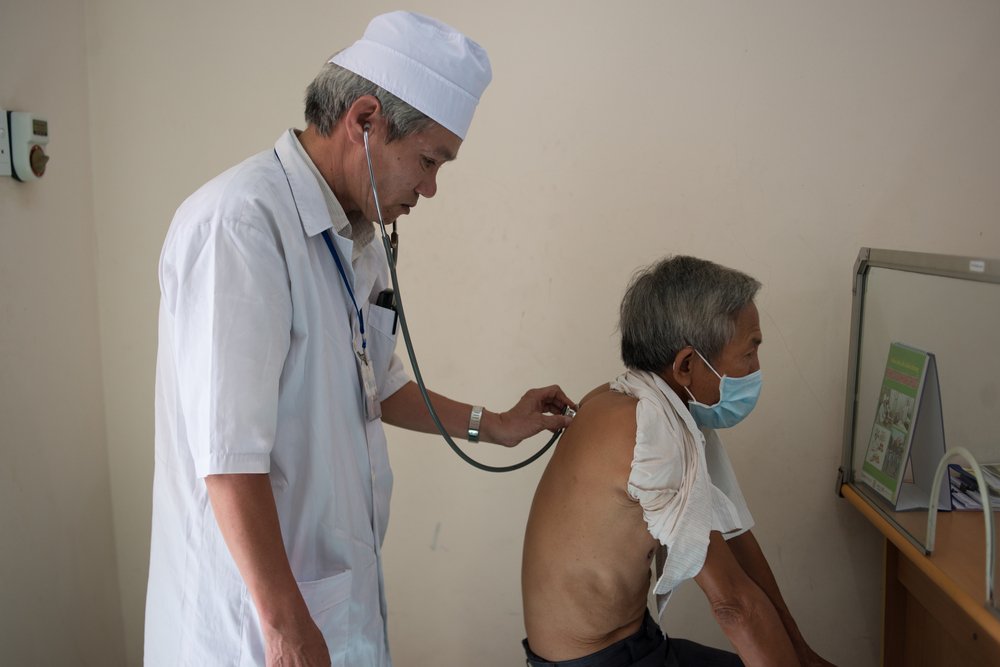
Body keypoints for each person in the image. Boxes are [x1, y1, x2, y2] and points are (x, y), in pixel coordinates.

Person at [146, 12, 575, 666]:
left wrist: (498, 423)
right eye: (429, 160)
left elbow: (379, 383)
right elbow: (227, 456)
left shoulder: (356, 232)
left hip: (329, 596)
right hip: (253, 624)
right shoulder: (242, 224)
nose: (430, 187)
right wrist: (286, 625)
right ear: (366, 119)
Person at [521, 256, 835, 667]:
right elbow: (734, 606)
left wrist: (804, 654)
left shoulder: (652, 401)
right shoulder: (648, 429)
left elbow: (737, 539)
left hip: (635, 644)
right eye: (749, 352)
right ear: (688, 364)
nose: (756, 369)